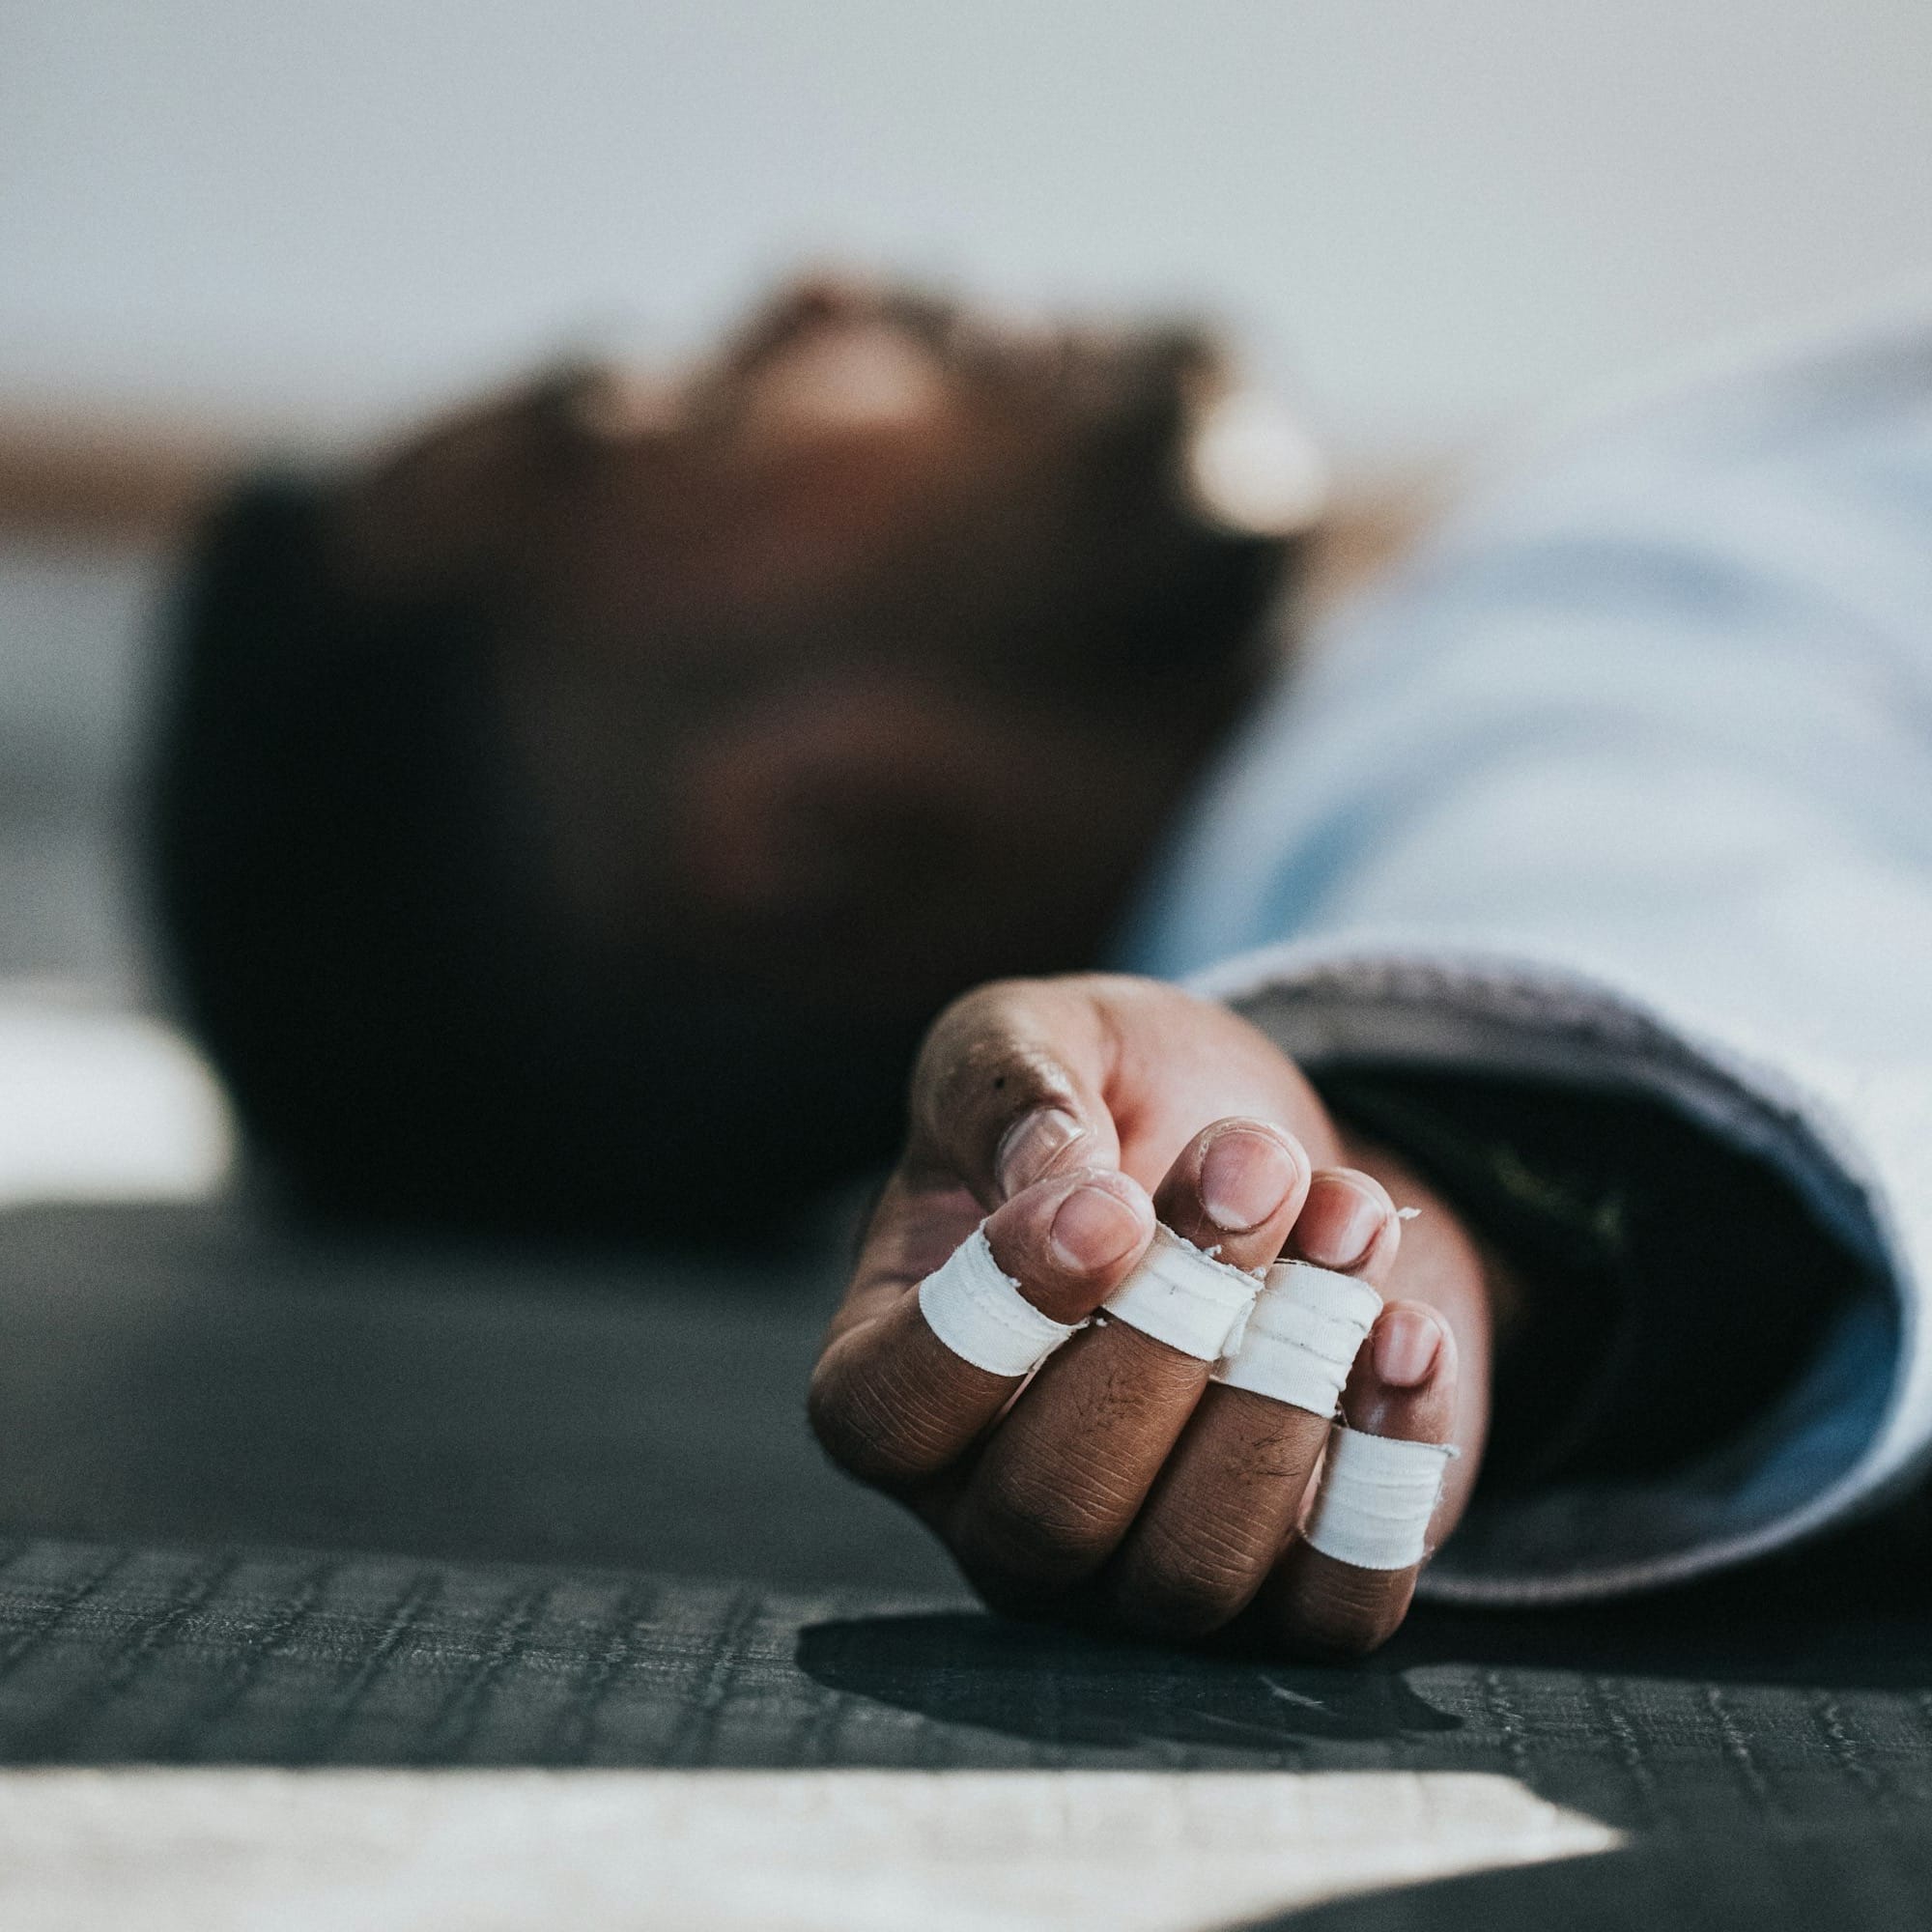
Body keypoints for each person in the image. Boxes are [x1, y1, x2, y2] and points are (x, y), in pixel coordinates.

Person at [149, 277, 1932, 1656]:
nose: (825, 288)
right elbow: (1665, 972)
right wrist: (1387, 1237)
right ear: (802, 828)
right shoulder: (1478, 723)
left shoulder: (1457, 626)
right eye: (682, 410)